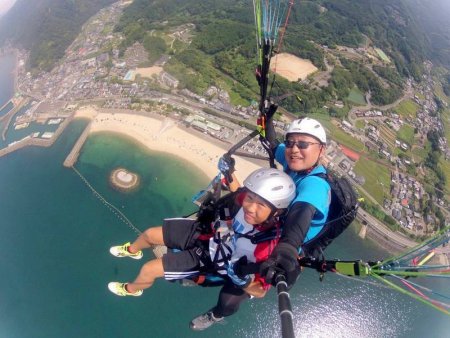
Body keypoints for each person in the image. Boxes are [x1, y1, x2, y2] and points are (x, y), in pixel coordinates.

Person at [190, 117, 330, 330]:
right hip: (264, 225)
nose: (294, 149)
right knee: (222, 221)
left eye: (303, 144)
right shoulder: (295, 160)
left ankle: (216, 315)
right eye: (291, 142)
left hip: (275, 248)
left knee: (229, 300)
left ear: (321, 150)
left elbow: (302, 211)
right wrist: (267, 119)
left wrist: (289, 245)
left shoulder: (315, 185)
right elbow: (274, 147)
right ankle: (201, 273)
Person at [107, 168, 296, 310]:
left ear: (276, 211)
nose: (250, 208)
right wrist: (229, 171)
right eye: (250, 199)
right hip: (207, 233)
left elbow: (261, 291)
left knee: (148, 270)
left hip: (209, 259)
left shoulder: (266, 245)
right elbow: (238, 191)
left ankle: (131, 289)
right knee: (149, 234)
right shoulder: (246, 204)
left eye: (261, 205)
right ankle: (132, 251)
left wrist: (242, 281)